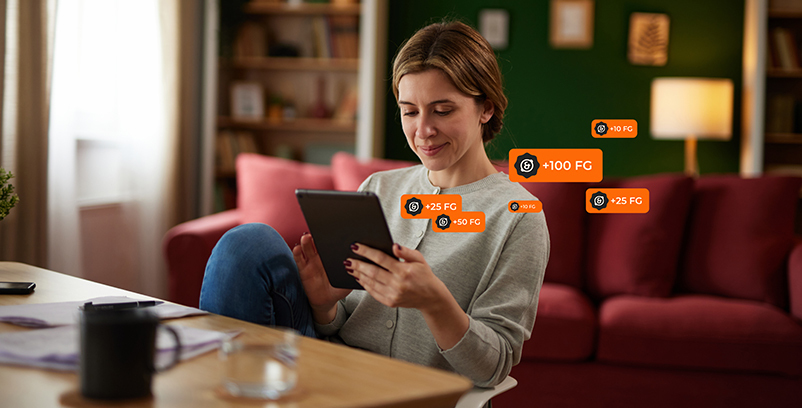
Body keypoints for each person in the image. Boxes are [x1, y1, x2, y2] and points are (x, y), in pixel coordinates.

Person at [200, 20, 549, 388]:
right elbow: (341, 321)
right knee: (247, 243)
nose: (423, 130)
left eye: (443, 110)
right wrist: (324, 304)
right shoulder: (379, 189)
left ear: (486, 109)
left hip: (413, 391)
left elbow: (493, 367)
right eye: (410, 111)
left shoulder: (519, 217)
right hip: (333, 369)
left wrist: (435, 303)